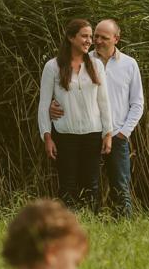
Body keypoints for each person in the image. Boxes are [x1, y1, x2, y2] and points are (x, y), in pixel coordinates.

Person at [50, 19, 143, 218]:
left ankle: (124, 229)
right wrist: (53, 105)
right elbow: (67, 92)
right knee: (87, 185)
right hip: (88, 135)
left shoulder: (129, 64)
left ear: (116, 39)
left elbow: (137, 104)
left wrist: (122, 133)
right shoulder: (84, 60)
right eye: (96, 36)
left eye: (104, 37)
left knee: (120, 187)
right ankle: (88, 224)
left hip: (116, 135)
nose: (97, 41)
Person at [38, 18, 113, 212]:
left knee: (92, 186)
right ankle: (68, 228)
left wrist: (107, 133)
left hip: (92, 134)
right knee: (67, 187)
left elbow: (104, 102)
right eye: (84, 36)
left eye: (90, 36)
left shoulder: (96, 66)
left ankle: (93, 226)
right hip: (65, 135)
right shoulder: (52, 67)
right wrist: (47, 136)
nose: (89, 40)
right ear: (71, 38)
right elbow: (44, 104)